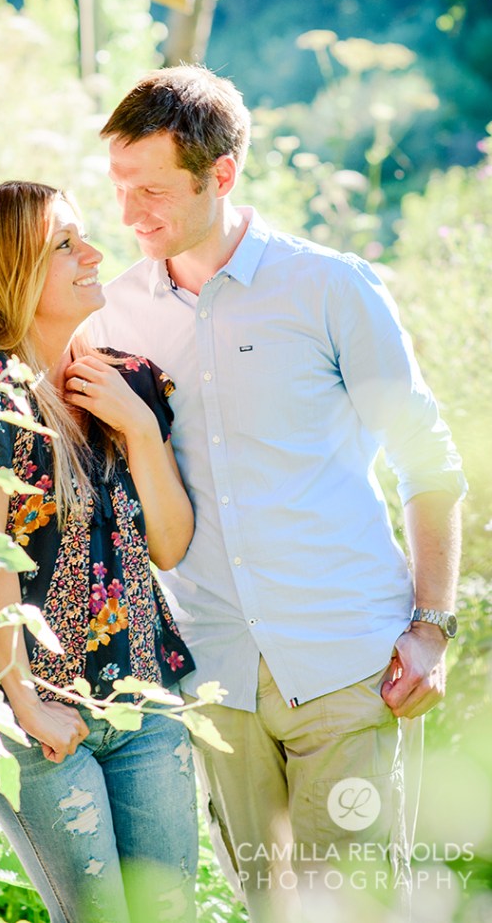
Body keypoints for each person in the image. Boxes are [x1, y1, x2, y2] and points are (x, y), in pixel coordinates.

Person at [86, 66, 466, 921]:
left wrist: (432, 627)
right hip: (215, 675)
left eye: (151, 189)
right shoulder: (112, 316)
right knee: (270, 907)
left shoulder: (330, 288)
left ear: (220, 175)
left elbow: (427, 461)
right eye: (118, 188)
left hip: (345, 664)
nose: (130, 214)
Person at [0, 181, 199, 923]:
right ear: (10, 272)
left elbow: (169, 545)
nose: (94, 253)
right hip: (38, 719)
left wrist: (139, 430)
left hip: (144, 701)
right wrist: (25, 703)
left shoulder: (125, 382)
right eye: (64, 244)